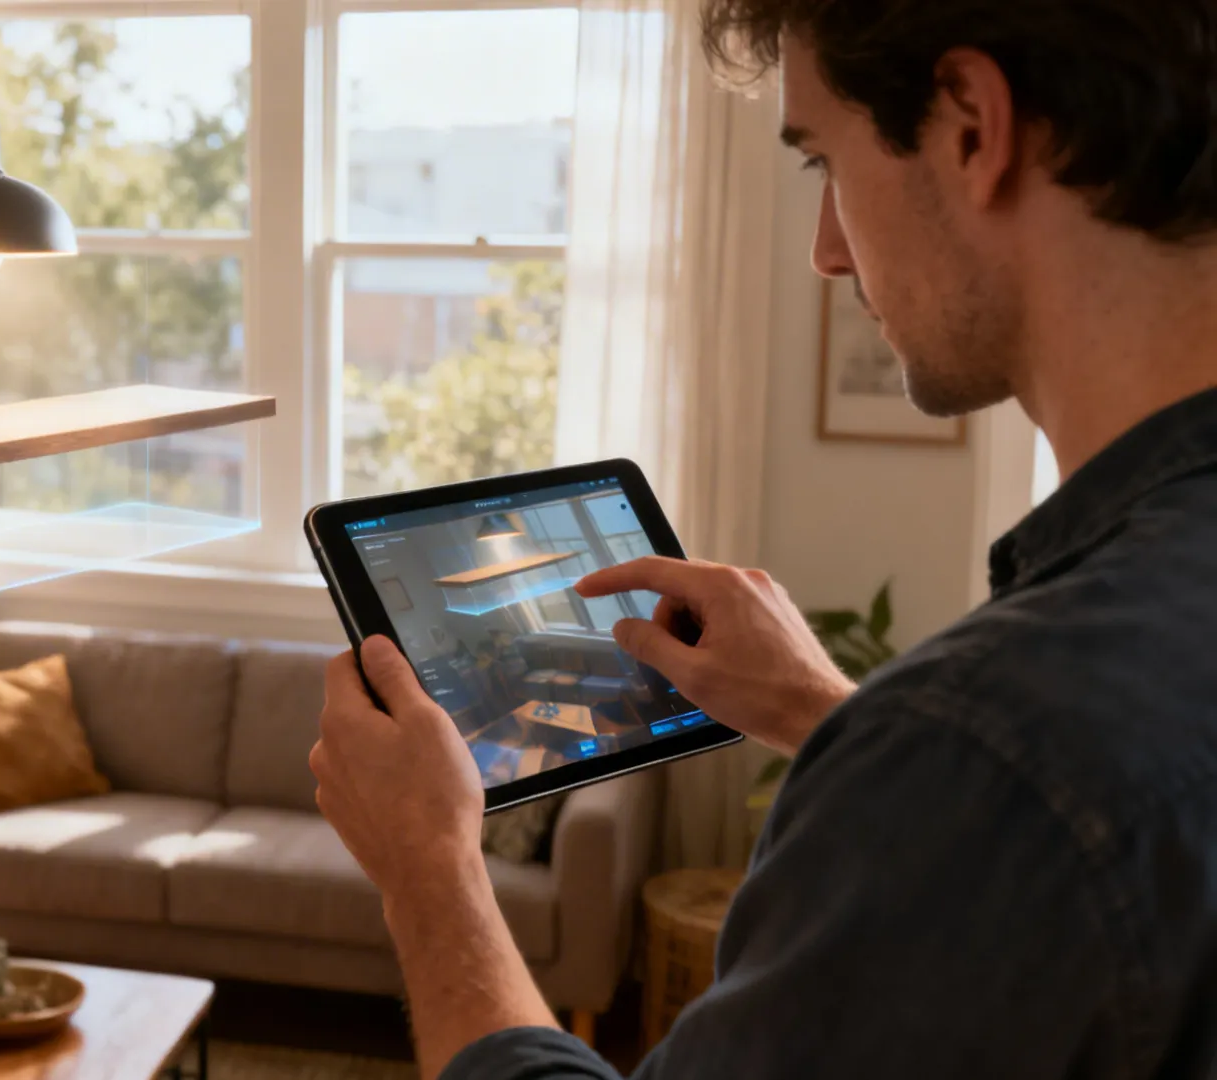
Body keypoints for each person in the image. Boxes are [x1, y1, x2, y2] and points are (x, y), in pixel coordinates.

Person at [308, 1, 1217, 1077]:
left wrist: (431, 872)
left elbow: (1024, 786)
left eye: (822, 160)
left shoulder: (989, 745)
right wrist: (825, 713)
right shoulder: (1046, 720)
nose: (830, 252)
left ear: (974, 126)